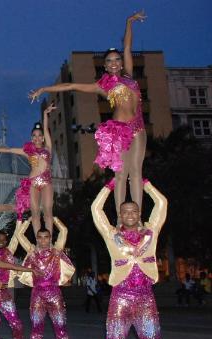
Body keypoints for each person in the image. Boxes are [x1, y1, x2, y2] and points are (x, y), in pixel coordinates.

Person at [29, 11, 148, 220]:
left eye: (117, 59)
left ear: (122, 63)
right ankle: (120, 219)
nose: (113, 63)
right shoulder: (102, 85)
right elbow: (71, 85)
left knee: (136, 172)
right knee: (121, 174)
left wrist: (129, 22)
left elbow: (128, 46)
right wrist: (44, 89)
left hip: (138, 126)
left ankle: (136, 218)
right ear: (105, 66)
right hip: (119, 129)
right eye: (109, 61)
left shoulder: (129, 76)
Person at [92, 178, 181, 339]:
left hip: (145, 298)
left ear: (139, 214)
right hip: (120, 298)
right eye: (125, 211)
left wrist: (145, 184)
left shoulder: (151, 232)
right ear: (120, 216)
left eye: (134, 211)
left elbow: (162, 203)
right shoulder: (112, 235)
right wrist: (110, 186)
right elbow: (96, 209)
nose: (130, 214)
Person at [16, 217, 80, 339]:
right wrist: (28, 221)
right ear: (37, 239)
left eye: (46, 237)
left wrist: (54, 219)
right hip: (37, 295)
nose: (43, 240)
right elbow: (19, 235)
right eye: (40, 237)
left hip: (55, 295)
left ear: (50, 238)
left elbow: (64, 230)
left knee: (61, 328)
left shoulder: (56, 252)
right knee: (36, 328)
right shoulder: (32, 253)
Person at [0, 103, 56, 235]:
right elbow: (10, 150)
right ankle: (38, 241)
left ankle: (49, 240)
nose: (37, 138)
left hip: (46, 181)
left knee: (47, 210)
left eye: (39, 135)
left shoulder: (48, 149)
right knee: (35, 212)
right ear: (31, 138)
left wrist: (45, 114)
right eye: (34, 135)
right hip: (33, 182)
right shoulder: (28, 151)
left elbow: (46, 129)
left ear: (43, 138)